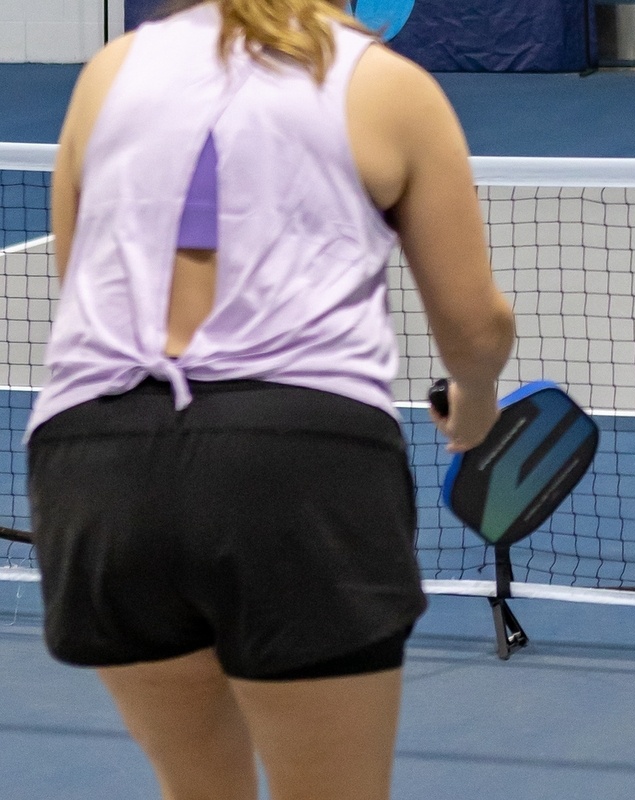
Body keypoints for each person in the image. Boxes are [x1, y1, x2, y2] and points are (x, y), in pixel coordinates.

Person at [26, 1, 515, 798]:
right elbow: (471, 324)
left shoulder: (109, 74)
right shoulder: (390, 88)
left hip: (98, 465)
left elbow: (78, 279)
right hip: (295, 463)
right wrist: (478, 398)